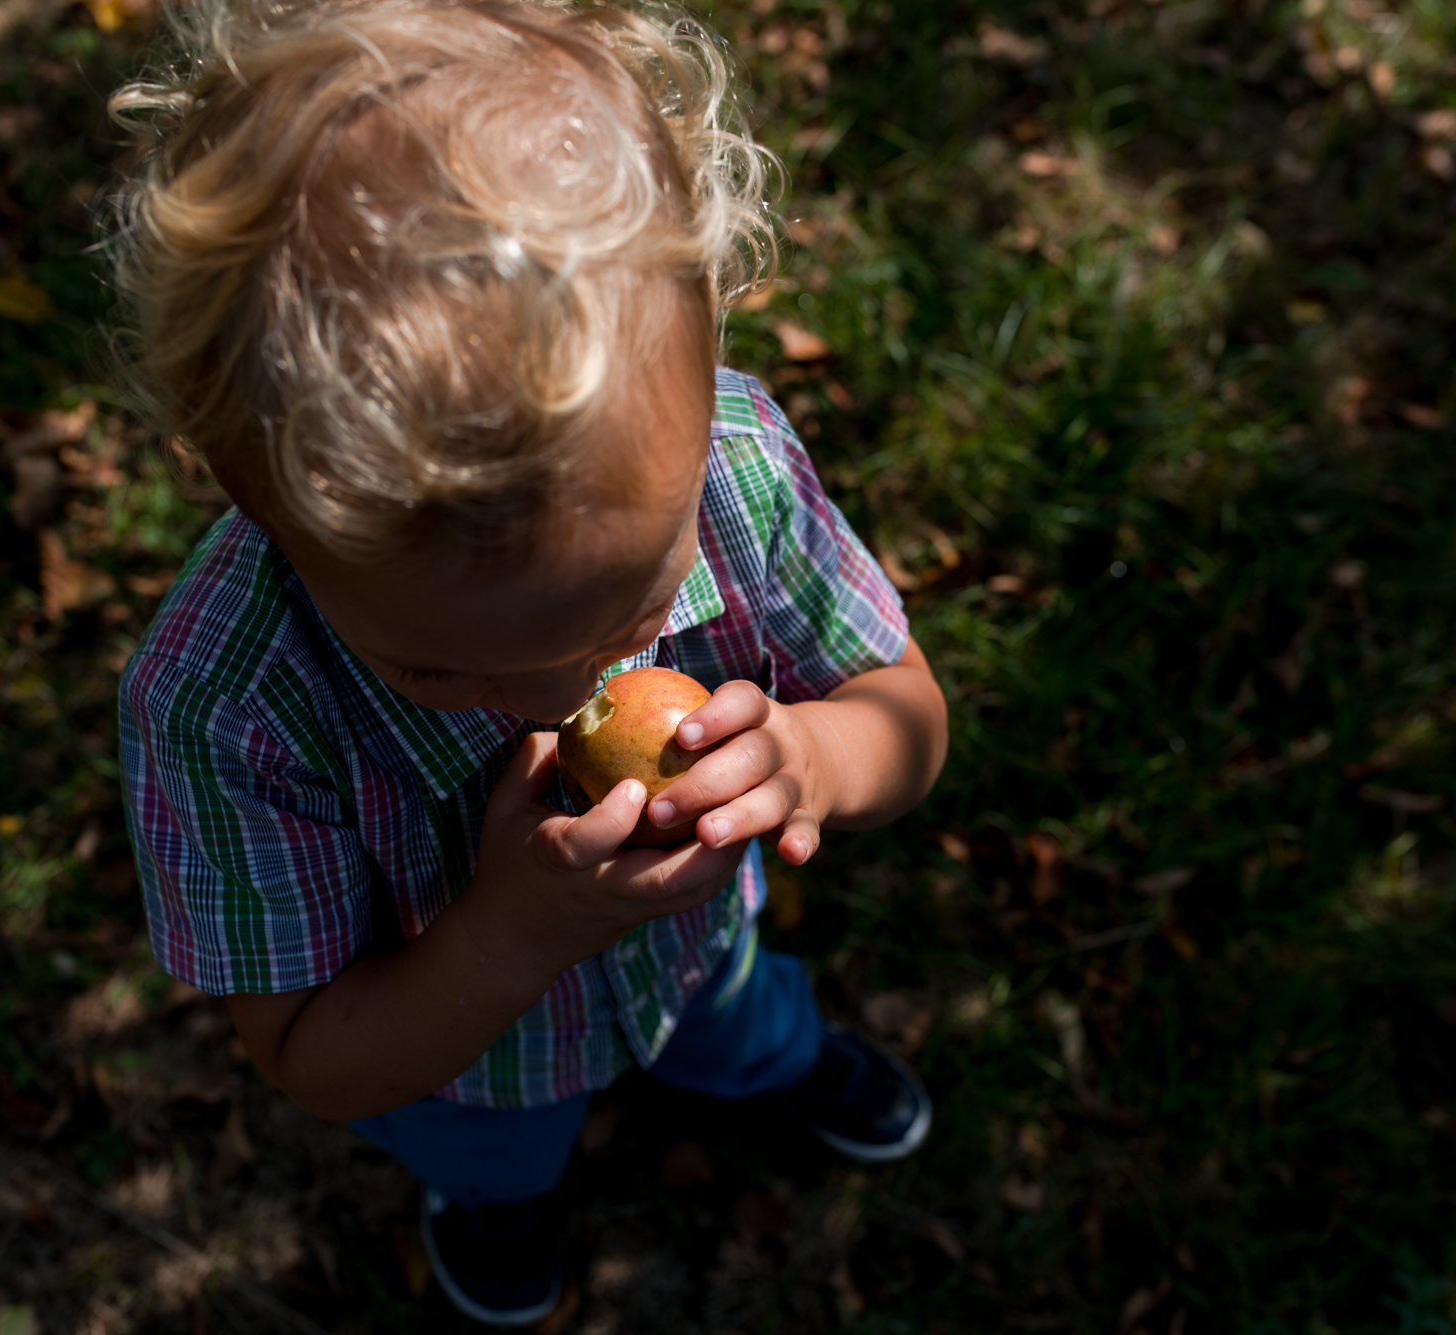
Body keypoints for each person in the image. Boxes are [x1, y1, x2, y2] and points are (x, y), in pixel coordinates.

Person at [107, 0, 949, 1323]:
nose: (567, 704)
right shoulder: (227, 711)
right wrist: (509, 936)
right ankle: (497, 1206)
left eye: (634, 612)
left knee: (746, 1028)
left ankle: (780, 1069)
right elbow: (316, 1060)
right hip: (464, 1068)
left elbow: (907, 717)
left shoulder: (728, 467)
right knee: (501, 1155)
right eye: (444, 675)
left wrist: (807, 761)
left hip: (695, 960)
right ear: (255, 501)